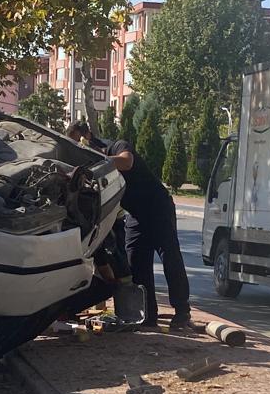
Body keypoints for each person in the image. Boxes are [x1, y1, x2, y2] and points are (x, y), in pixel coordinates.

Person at [67, 120, 193, 329]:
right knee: (136, 260)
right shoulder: (91, 172)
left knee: (169, 256)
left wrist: (97, 162)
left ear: (88, 138)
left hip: (157, 207)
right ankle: (148, 315)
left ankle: (182, 311)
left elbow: (127, 162)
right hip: (135, 214)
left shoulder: (116, 147)